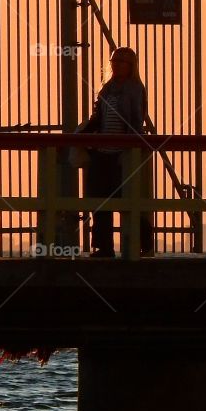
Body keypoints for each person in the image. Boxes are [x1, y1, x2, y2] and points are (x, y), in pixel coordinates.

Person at [74, 47, 152, 257]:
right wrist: (83, 133)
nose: (116, 65)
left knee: (124, 197)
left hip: (122, 152)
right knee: (100, 199)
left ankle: (144, 239)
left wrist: (131, 145)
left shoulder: (135, 89)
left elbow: (136, 119)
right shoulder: (107, 88)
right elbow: (98, 117)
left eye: (121, 62)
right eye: (114, 61)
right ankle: (103, 246)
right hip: (102, 150)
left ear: (131, 66)